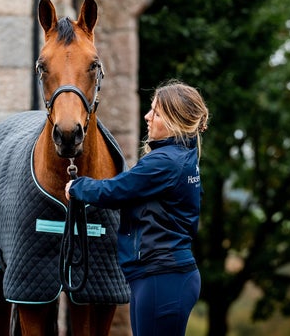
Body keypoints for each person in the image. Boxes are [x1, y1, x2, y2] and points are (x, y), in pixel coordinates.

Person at [65, 79, 209, 336]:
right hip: (161, 275)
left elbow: (116, 190)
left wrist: (77, 187)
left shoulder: (166, 162)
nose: (147, 116)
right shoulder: (181, 156)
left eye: (156, 112)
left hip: (162, 276)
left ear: (175, 121)